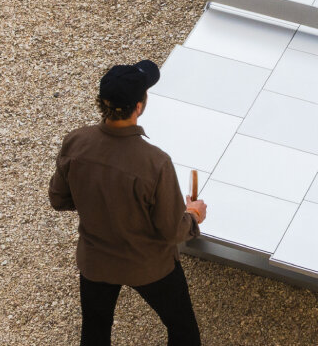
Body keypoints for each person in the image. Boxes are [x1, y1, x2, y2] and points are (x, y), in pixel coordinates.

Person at [49, 60, 207, 346]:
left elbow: (59, 199)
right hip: (149, 265)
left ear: (102, 102)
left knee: (95, 332)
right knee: (183, 331)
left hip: (96, 263)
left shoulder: (75, 143)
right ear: (138, 106)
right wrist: (193, 216)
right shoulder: (155, 163)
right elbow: (171, 230)